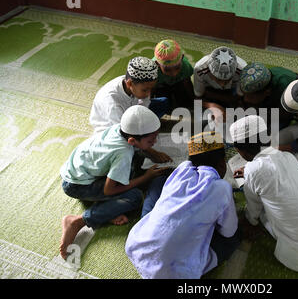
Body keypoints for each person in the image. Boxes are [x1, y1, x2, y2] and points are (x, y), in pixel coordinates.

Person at [230, 115, 298, 273]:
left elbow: (253, 209)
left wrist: (250, 223)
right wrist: (250, 171)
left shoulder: (253, 171)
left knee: (264, 213)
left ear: (240, 151)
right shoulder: (288, 156)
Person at [125, 131, 241, 279]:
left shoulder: (183, 168)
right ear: (221, 163)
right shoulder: (222, 188)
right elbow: (228, 232)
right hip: (172, 273)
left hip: (137, 248)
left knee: (158, 185)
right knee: (234, 237)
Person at [59, 105, 169, 260]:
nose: (155, 142)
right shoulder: (122, 153)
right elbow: (109, 190)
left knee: (135, 160)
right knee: (135, 197)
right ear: (132, 140)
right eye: (151, 140)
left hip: (75, 169)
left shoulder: (121, 128)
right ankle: (78, 221)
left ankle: (107, 211)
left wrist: (154, 153)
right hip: (77, 185)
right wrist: (146, 178)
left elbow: (136, 145)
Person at [89, 56, 171, 163]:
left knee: (163, 102)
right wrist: (153, 153)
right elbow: (125, 134)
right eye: (145, 90)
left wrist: (148, 122)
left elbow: (145, 103)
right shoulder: (112, 103)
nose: (149, 94)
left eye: (151, 89)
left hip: (134, 113)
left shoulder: (136, 84)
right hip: (113, 129)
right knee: (128, 153)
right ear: (129, 84)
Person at [193, 46, 247, 122]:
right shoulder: (199, 69)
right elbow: (198, 99)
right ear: (210, 72)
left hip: (231, 94)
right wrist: (212, 106)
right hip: (209, 92)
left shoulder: (243, 70)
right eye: (218, 79)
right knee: (202, 121)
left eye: (227, 80)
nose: (222, 84)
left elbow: (239, 98)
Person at [239, 62, 298, 130]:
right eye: (244, 94)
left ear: (267, 92)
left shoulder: (288, 88)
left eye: (251, 97)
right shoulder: (257, 84)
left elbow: (286, 113)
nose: (246, 99)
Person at [152, 39, 196, 110]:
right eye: (167, 70)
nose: (174, 73)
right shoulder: (152, 70)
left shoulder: (185, 66)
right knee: (163, 102)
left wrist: (193, 99)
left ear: (182, 58)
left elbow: (187, 83)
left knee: (185, 101)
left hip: (178, 83)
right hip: (161, 85)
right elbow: (152, 88)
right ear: (157, 64)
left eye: (177, 67)